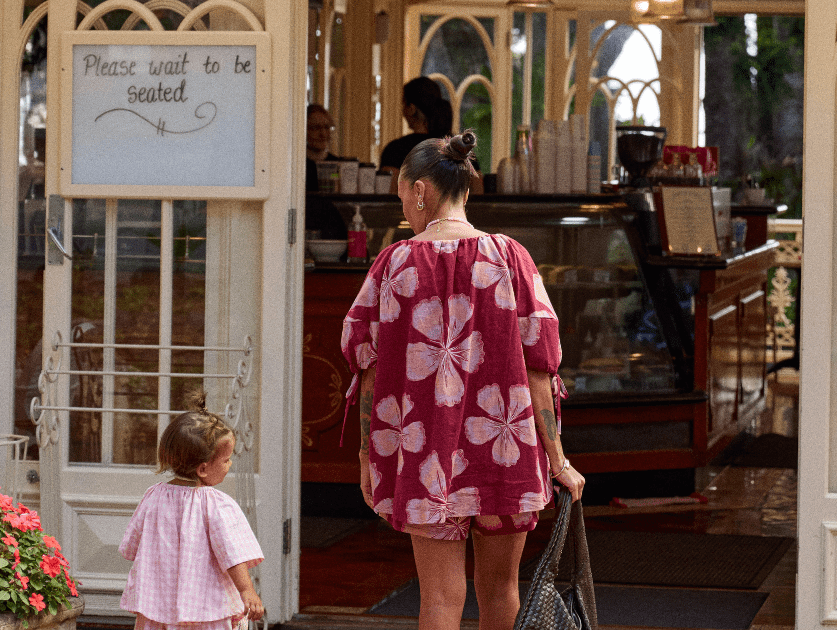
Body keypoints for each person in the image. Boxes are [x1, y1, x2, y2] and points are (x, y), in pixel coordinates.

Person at [341, 130, 584, 630]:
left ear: (420, 191)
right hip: (505, 450)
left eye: (403, 197)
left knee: (439, 601)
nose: (405, 209)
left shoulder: (393, 264)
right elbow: (540, 365)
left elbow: (367, 368)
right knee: (501, 593)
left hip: (423, 450)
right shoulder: (510, 257)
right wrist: (558, 460)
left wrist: (368, 455)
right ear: (466, 192)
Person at [119, 393, 265, 630]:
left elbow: (132, 545)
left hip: (158, 605)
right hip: (207, 609)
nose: (229, 465)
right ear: (204, 469)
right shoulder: (216, 504)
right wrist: (247, 591)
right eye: (226, 460)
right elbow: (233, 554)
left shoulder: (153, 496)